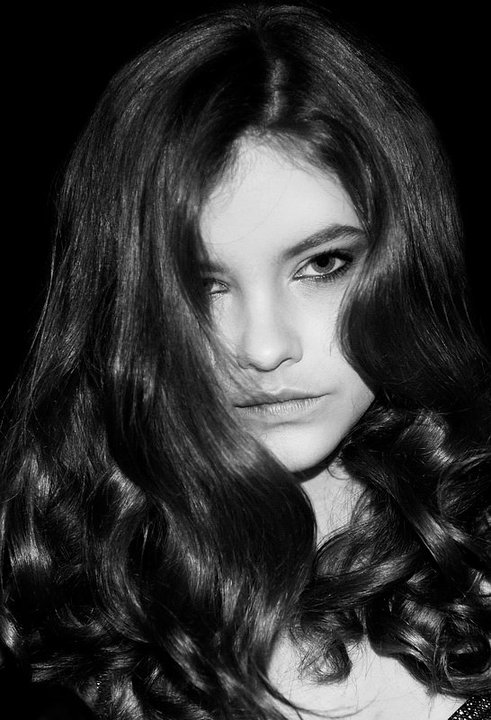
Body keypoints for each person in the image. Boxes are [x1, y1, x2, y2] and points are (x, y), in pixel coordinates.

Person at [1, 3, 490, 718]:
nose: (264, 348)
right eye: (202, 286)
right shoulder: (52, 597)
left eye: (323, 264)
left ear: (407, 262)